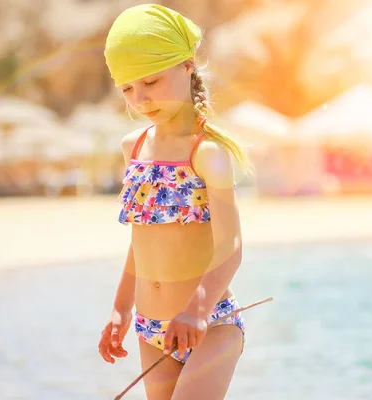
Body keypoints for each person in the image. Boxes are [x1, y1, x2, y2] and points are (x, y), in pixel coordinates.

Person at [97, 4, 252, 400]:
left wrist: (197, 311)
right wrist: (120, 308)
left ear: (186, 66)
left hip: (209, 323)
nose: (141, 98)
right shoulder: (133, 148)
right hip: (151, 328)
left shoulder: (207, 152)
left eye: (151, 81)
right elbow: (142, 241)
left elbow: (230, 247)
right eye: (128, 89)